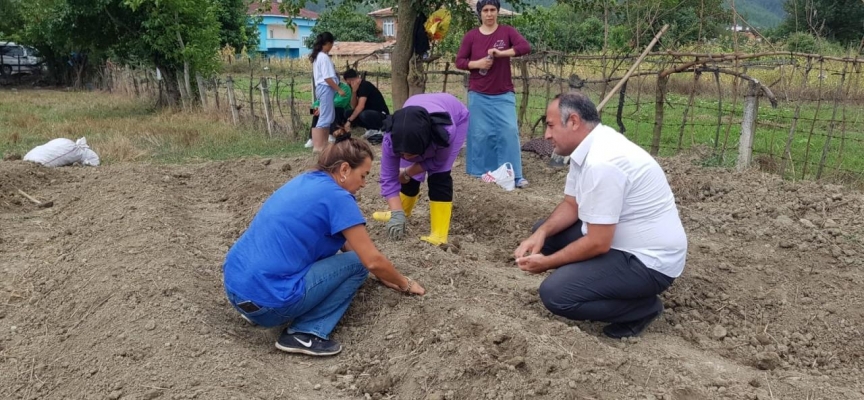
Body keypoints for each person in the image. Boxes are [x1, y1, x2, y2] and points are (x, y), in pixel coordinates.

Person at [223, 132, 426, 357]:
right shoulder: (338, 197)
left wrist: (382, 275)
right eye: (363, 175)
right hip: (269, 304)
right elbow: (371, 260)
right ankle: (306, 332)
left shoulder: (305, 180)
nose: (364, 184)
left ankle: (259, 312)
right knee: (358, 265)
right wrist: (403, 283)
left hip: (236, 290)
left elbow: (348, 244)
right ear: (345, 169)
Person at [514, 91, 687, 339]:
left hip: (648, 262)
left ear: (573, 121)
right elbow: (571, 205)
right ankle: (597, 279)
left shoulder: (603, 162)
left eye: (551, 126)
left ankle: (643, 308)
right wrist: (540, 234)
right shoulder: (586, 148)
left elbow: (598, 242)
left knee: (556, 294)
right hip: (620, 242)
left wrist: (549, 264)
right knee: (545, 233)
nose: (546, 135)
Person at [370, 93, 468, 246]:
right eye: (403, 153)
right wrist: (396, 213)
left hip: (456, 117)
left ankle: (439, 235)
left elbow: (437, 162)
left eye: (411, 154)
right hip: (414, 125)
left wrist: (408, 172)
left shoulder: (445, 133)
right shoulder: (392, 137)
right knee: (406, 170)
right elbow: (388, 178)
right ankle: (401, 211)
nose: (407, 157)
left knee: (439, 175)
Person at [455, 0, 531, 188]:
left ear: (497, 12)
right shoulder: (471, 36)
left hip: (503, 92)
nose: (489, 14)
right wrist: (477, 64)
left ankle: (515, 175)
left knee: (509, 131)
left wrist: (501, 53)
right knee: (481, 134)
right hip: (478, 93)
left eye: (493, 10)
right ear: (480, 13)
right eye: (485, 10)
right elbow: (460, 61)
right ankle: (484, 172)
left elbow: (524, 47)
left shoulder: (507, 32)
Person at [309, 32, 345, 152]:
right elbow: (327, 78)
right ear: (329, 43)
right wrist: (338, 89)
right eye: (331, 44)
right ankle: (319, 146)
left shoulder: (318, 56)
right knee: (325, 117)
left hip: (323, 88)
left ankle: (322, 145)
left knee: (327, 116)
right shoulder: (323, 57)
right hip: (325, 88)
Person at [341, 68, 390, 135]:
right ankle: (370, 128)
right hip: (368, 112)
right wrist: (354, 92)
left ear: (349, 80)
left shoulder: (365, 85)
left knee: (363, 114)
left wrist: (349, 121)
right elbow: (353, 106)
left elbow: (361, 106)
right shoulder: (355, 88)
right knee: (348, 113)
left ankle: (378, 129)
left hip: (380, 114)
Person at [306, 79, 352, 148]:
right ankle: (312, 138)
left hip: (342, 113)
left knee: (335, 109)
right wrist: (316, 108)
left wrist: (323, 107)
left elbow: (341, 103)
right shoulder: (325, 88)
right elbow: (314, 105)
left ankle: (331, 135)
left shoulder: (345, 88)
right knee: (315, 112)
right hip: (325, 110)